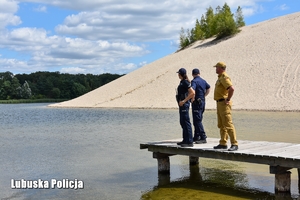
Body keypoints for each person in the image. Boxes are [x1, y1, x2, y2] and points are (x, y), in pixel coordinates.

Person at [213, 62, 238, 151]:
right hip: (219, 103)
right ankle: (223, 143)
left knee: (228, 123)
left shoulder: (224, 77)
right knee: (221, 124)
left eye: (216, 67)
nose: (215, 69)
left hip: (224, 103)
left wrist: (228, 99)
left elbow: (231, 89)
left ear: (220, 68)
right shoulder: (220, 78)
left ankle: (234, 143)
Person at [176, 68, 195, 147]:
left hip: (184, 105)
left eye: (178, 74)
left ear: (181, 74)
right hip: (181, 105)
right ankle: (185, 139)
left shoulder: (185, 82)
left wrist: (184, 101)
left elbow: (192, 93)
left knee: (186, 122)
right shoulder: (182, 82)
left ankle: (189, 141)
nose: (178, 75)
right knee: (182, 122)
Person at [191, 68, 210, 144]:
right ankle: (196, 136)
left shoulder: (194, 81)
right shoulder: (203, 81)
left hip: (196, 103)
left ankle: (203, 137)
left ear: (193, 74)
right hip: (202, 102)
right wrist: (204, 95)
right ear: (199, 73)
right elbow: (209, 87)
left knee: (197, 120)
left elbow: (192, 90)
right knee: (199, 119)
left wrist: (192, 98)